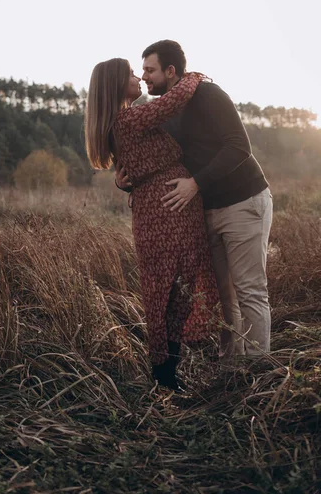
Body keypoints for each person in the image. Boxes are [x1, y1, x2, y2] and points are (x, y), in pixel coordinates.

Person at [116, 40, 273, 364]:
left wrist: (196, 183)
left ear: (170, 71)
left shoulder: (208, 95)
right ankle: (232, 372)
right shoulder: (163, 111)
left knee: (250, 291)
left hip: (243, 201)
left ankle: (259, 375)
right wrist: (122, 181)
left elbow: (239, 147)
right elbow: (154, 161)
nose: (144, 77)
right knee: (223, 295)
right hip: (206, 209)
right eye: (142, 70)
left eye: (149, 70)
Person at [85, 59, 219, 390]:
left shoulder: (120, 122)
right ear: (116, 84)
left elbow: (135, 171)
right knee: (171, 294)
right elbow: (173, 101)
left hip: (157, 210)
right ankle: (164, 376)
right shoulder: (129, 118)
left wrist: (124, 182)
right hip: (166, 213)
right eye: (131, 73)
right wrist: (192, 77)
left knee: (167, 295)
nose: (138, 77)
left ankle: (167, 377)